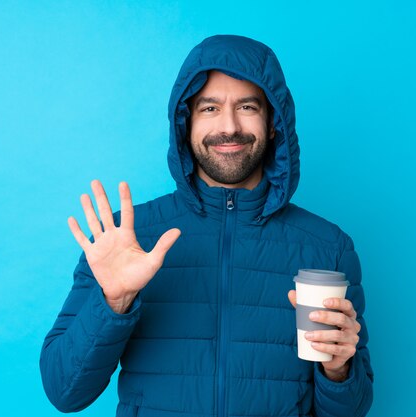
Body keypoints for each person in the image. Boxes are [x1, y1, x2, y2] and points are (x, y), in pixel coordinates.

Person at [40, 34, 374, 417]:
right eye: (209, 108)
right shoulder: (127, 238)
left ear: (274, 123)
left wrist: (338, 368)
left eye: (247, 106)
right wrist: (113, 303)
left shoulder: (328, 247)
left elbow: (352, 410)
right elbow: (64, 392)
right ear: (185, 123)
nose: (229, 127)